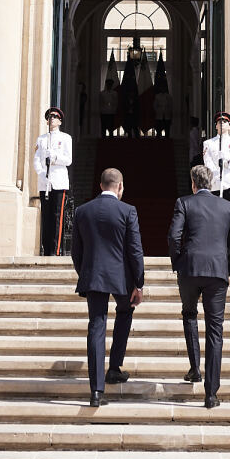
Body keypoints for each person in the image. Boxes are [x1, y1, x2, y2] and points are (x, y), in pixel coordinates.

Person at [168, 164, 230, 407]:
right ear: (210, 183)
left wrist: (178, 262)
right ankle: (211, 393)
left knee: (189, 314)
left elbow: (173, 236)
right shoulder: (228, 206)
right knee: (215, 330)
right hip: (217, 274)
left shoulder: (184, 202)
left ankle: (195, 368)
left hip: (190, 270)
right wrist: (226, 266)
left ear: (193, 183)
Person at [70, 167, 145, 407]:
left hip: (94, 276)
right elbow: (135, 250)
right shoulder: (128, 211)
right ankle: (114, 367)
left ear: (100, 186)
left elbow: (76, 251)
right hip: (121, 278)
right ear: (120, 186)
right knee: (125, 311)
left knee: (96, 326)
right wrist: (138, 284)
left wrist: (87, 273)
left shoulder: (83, 211)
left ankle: (96, 391)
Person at [33, 106, 72, 257]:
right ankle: (46, 248)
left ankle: (55, 251)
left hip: (59, 181)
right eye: (49, 117)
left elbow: (68, 160)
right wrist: (42, 174)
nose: (51, 119)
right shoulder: (41, 139)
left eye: (54, 116)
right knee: (46, 216)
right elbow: (36, 160)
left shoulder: (65, 138)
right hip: (45, 182)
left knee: (57, 217)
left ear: (60, 121)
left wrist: (54, 157)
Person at [201, 111, 230, 208]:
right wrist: (217, 175)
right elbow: (208, 163)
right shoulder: (208, 143)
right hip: (215, 183)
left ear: (229, 126)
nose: (222, 123)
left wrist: (226, 162)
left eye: (225, 121)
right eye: (219, 122)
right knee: (215, 214)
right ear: (216, 126)